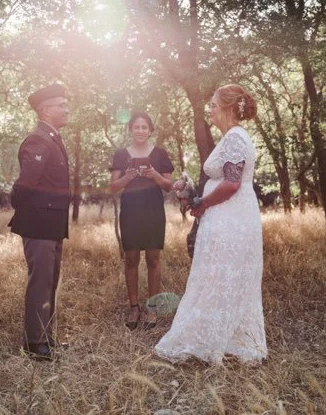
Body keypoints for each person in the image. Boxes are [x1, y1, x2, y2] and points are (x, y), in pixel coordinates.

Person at [155, 84, 267, 365]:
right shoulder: (232, 137)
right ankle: (220, 338)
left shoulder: (235, 138)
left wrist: (202, 203)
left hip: (231, 218)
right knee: (219, 276)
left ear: (229, 107)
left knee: (219, 275)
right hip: (229, 214)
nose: (210, 110)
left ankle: (213, 341)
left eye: (214, 105)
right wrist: (193, 192)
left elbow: (231, 184)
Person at [8, 83, 70, 360]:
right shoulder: (38, 140)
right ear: (45, 110)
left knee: (50, 281)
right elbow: (24, 186)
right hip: (39, 224)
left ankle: (46, 336)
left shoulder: (52, 138)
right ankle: (35, 343)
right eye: (61, 105)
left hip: (52, 223)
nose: (67, 109)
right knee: (40, 282)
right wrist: (29, 212)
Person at [110, 112, 174, 330]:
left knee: (153, 259)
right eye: (136, 127)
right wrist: (127, 177)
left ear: (150, 130)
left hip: (153, 210)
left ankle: (152, 308)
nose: (140, 130)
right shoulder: (121, 154)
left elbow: (168, 186)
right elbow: (113, 187)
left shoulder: (160, 153)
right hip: (130, 211)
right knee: (131, 259)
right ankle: (134, 307)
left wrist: (154, 174)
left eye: (144, 127)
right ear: (130, 129)